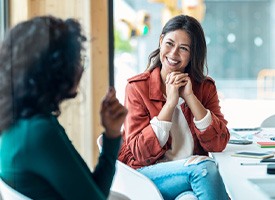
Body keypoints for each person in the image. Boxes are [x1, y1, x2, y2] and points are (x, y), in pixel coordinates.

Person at [0, 15, 127, 199]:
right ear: (56, 70)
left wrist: (112, 134)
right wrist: (112, 139)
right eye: (77, 60)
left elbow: (95, 191)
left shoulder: (22, 123)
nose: (81, 68)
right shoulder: (38, 133)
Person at [118, 14, 230, 200]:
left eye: (183, 48)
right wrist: (170, 103)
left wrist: (190, 97)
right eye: (169, 43)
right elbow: (139, 153)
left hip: (189, 179)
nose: (173, 54)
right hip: (148, 176)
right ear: (161, 41)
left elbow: (218, 144)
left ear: (193, 54)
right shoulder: (137, 88)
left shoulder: (205, 88)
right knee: (205, 169)